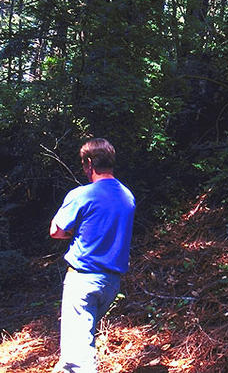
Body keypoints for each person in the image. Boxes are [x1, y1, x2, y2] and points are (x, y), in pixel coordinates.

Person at [50, 138, 136, 373]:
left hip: (83, 279)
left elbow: (56, 231)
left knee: (79, 358)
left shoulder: (82, 194)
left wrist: (73, 232)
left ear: (89, 163)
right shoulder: (127, 196)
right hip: (111, 283)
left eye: (83, 163)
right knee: (82, 341)